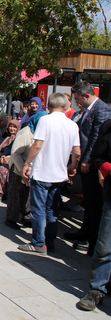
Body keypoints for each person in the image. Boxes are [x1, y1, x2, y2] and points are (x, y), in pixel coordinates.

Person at [18, 92, 80, 254]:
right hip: (59, 174)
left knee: (38, 208)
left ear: (49, 106)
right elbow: (77, 152)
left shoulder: (45, 120)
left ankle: (39, 242)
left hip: (42, 172)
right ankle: (50, 241)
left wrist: (27, 163)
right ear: (66, 107)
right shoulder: (72, 125)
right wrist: (73, 166)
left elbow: (37, 145)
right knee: (52, 209)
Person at [65, 81, 111, 255]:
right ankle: (85, 232)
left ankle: (92, 240)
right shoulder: (87, 110)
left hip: (92, 165)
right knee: (89, 203)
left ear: (86, 95)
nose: (76, 102)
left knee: (95, 204)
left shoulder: (102, 109)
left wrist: (89, 160)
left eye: (78, 99)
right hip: (84, 162)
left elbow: (98, 138)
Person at [78, 118, 111, 310]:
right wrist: (106, 168)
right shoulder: (108, 126)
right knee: (104, 247)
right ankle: (96, 289)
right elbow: (99, 156)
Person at [5, 112, 47, 229]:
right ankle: (11, 218)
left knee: (28, 195)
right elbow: (15, 153)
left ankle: (27, 216)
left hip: (33, 169)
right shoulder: (25, 133)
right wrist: (23, 168)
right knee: (16, 194)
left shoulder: (42, 133)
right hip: (19, 167)